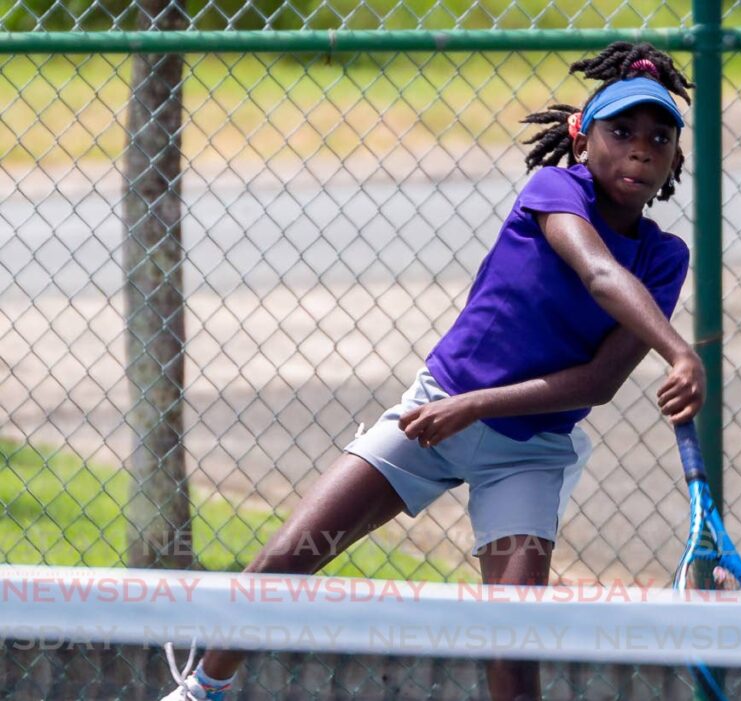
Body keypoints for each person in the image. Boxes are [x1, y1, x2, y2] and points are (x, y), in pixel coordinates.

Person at [160, 41, 705, 701]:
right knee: (288, 557)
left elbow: (597, 383)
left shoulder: (665, 256)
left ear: (676, 156)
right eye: (621, 131)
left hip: (527, 452)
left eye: (659, 136)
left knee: (513, 639)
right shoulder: (554, 189)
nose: (641, 148)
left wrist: (477, 408)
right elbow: (596, 272)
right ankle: (202, 689)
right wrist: (679, 350)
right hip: (431, 414)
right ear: (581, 136)